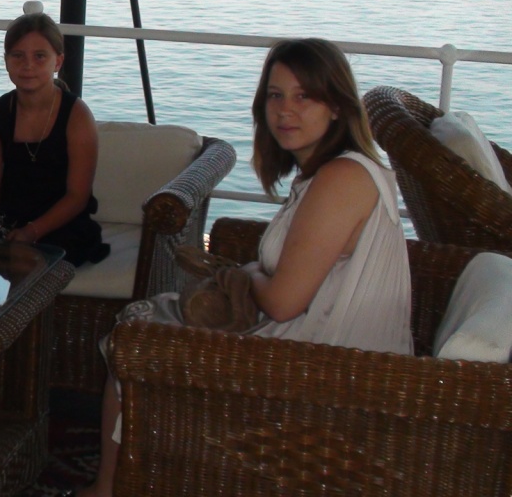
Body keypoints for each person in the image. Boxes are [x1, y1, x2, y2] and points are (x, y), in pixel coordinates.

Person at [77, 38, 412, 497]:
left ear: (335, 105)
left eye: (303, 96)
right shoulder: (327, 173)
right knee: (148, 320)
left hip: (336, 367)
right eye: (275, 95)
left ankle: (110, 489)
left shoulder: (342, 179)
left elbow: (282, 301)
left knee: (135, 337)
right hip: (325, 343)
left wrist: (245, 274)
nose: (284, 110)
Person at [0, 13, 109, 266]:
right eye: (17, 56)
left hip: (63, 225)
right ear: (6, 61)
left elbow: (77, 196)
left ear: (58, 61)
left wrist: (31, 232)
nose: (28, 65)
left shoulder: (77, 116)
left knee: (21, 260)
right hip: (9, 221)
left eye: (39, 56)